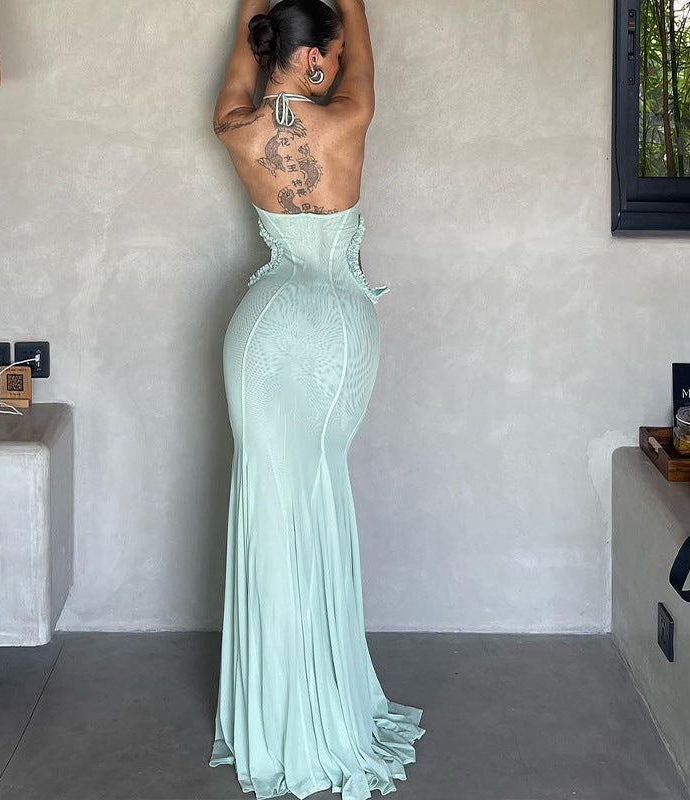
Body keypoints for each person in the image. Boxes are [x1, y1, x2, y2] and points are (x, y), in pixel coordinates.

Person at [208, 2, 426, 799]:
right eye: (326, 57)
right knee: (319, 497)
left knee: (267, 512)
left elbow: (247, 51)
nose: (334, 68)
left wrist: (257, 11)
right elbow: (359, 44)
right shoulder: (349, 117)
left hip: (260, 329)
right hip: (336, 320)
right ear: (314, 61)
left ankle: (274, 721)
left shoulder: (232, 125)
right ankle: (325, 707)